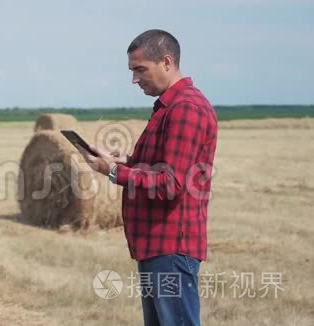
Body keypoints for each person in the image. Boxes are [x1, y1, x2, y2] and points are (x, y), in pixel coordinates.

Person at [77, 29, 218, 326]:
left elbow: (172, 183)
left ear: (166, 62)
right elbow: (161, 166)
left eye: (140, 69)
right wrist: (122, 161)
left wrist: (113, 172)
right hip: (157, 245)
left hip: (171, 248)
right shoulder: (169, 107)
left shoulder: (185, 109)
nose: (134, 79)